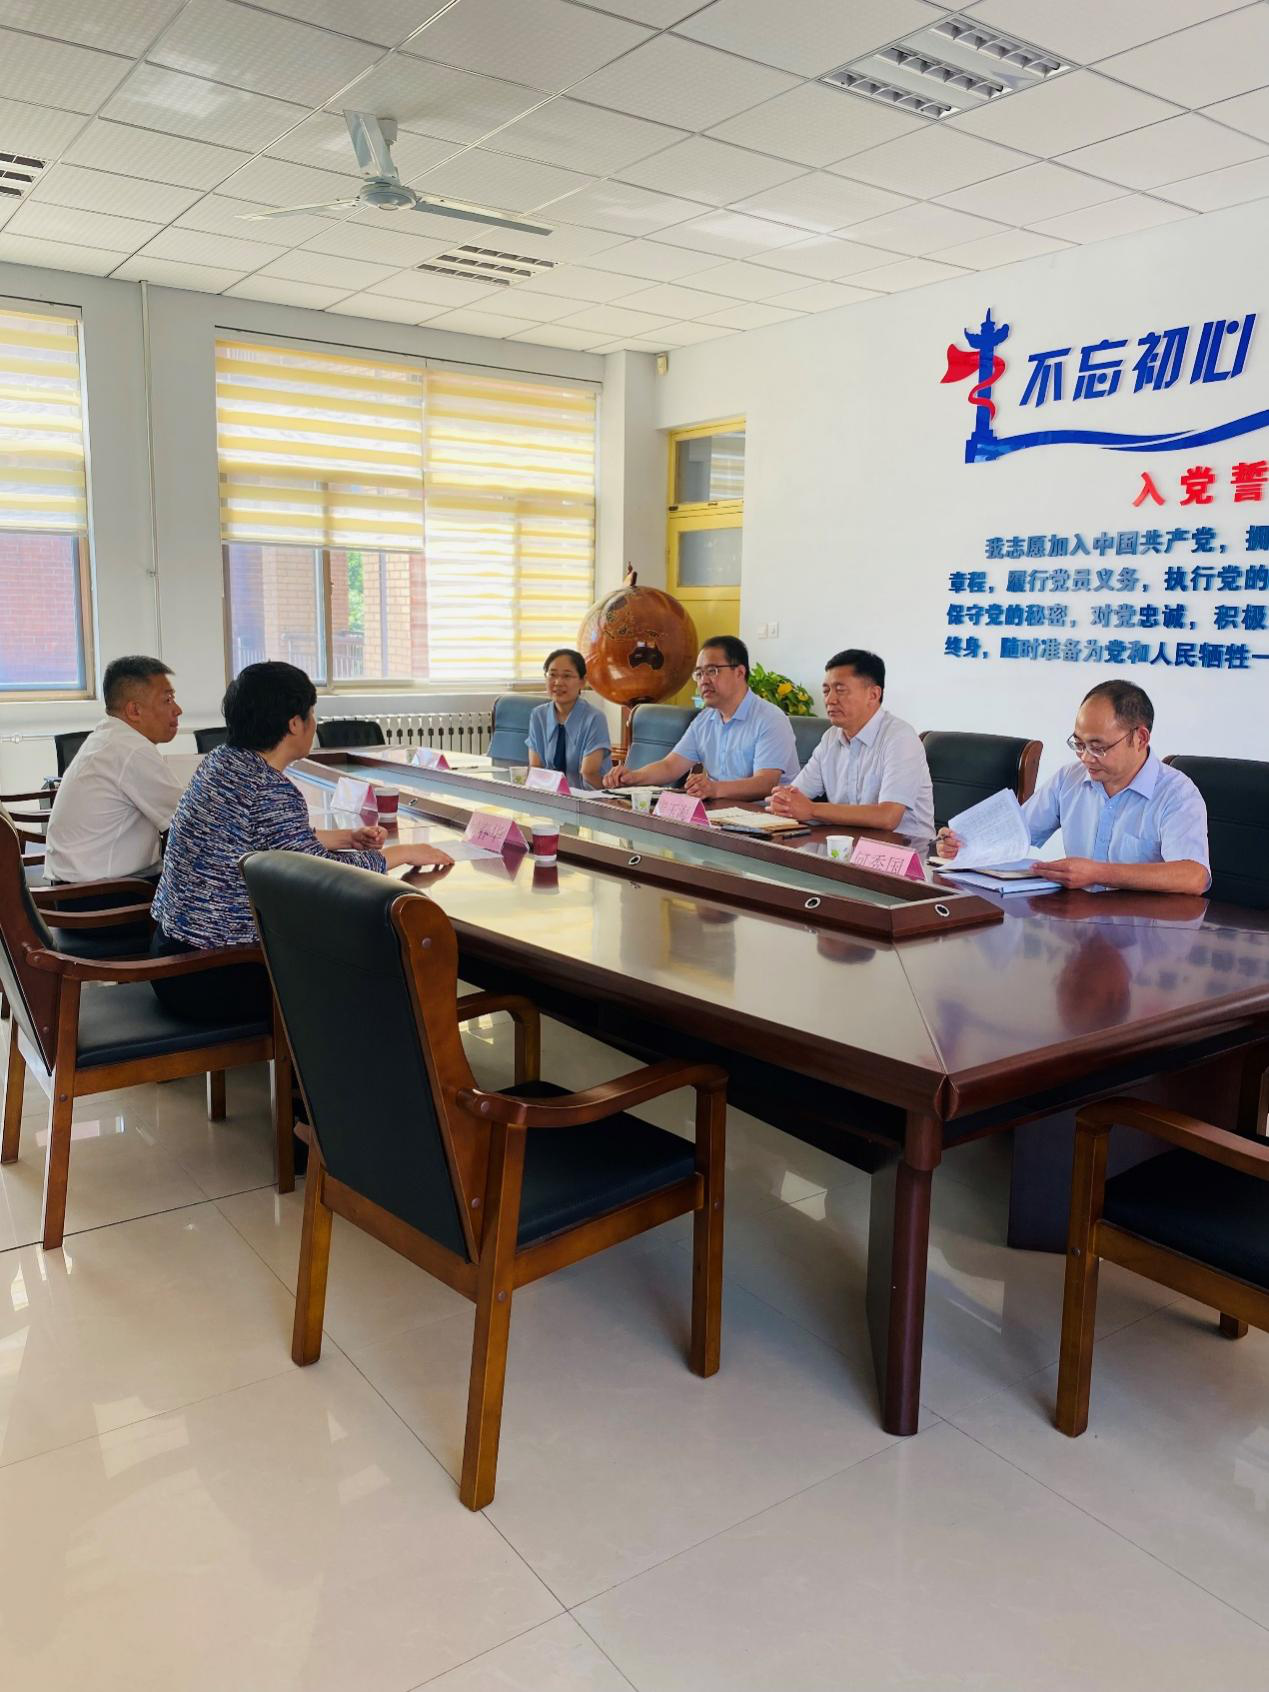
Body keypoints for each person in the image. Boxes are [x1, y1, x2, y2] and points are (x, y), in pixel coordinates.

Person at [149, 661, 451, 1022]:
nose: (314, 723)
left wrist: (346, 837)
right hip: (218, 973)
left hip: (173, 956)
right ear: (295, 723)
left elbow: (263, 840)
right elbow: (323, 880)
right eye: (312, 713)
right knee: (382, 964)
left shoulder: (223, 762)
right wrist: (401, 854)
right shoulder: (268, 788)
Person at [936, 679, 1210, 894]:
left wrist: (1099, 873)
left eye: (1098, 747)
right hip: (1079, 922)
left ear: (1140, 738)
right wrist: (962, 844)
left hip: (1144, 933)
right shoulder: (1070, 779)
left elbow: (1193, 876)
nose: (1086, 758)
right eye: (1079, 744)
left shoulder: (1176, 793)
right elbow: (1017, 831)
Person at [601, 635, 798, 801]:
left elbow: (765, 783)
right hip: (720, 814)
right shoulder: (705, 719)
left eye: (712, 671)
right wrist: (632, 777)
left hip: (768, 818)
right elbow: (670, 766)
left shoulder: (770, 719)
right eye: (699, 673)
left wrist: (715, 789)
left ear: (739, 672)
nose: (703, 681)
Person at [44, 655, 184, 884]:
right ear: (134, 710)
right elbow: (189, 821)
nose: (178, 710)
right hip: (105, 893)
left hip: (80, 887)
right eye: (167, 700)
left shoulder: (109, 737)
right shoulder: (131, 749)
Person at [768, 649, 934, 838]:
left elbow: (888, 817)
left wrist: (812, 810)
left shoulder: (900, 738)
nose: (830, 700)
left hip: (904, 848)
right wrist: (783, 801)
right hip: (846, 843)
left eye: (840, 690)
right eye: (826, 691)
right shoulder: (831, 738)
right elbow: (795, 796)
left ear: (873, 694)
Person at [527, 647, 611, 788]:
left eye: (567, 676)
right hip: (550, 795)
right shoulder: (538, 715)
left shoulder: (595, 718)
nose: (558, 682)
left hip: (588, 796)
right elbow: (536, 768)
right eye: (552, 675)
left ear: (582, 681)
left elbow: (589, 773)